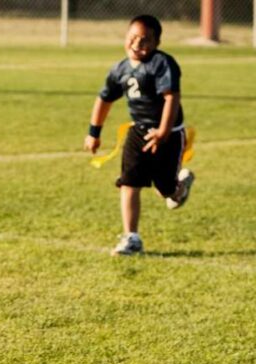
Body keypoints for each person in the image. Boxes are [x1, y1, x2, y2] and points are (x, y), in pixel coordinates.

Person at [83, 14, 195, 256]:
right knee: (129, 181)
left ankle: (179, 188)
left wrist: (164, 130)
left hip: (169, 134)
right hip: (138, 130)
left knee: (165, 188)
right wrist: (94, 133)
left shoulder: (163, 64)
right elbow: (104, 99)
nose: (136, 45)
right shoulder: (120, 69)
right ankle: (131, 238)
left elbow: (171, 98)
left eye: (144, 41)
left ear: (156, 44)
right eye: (132, 38)